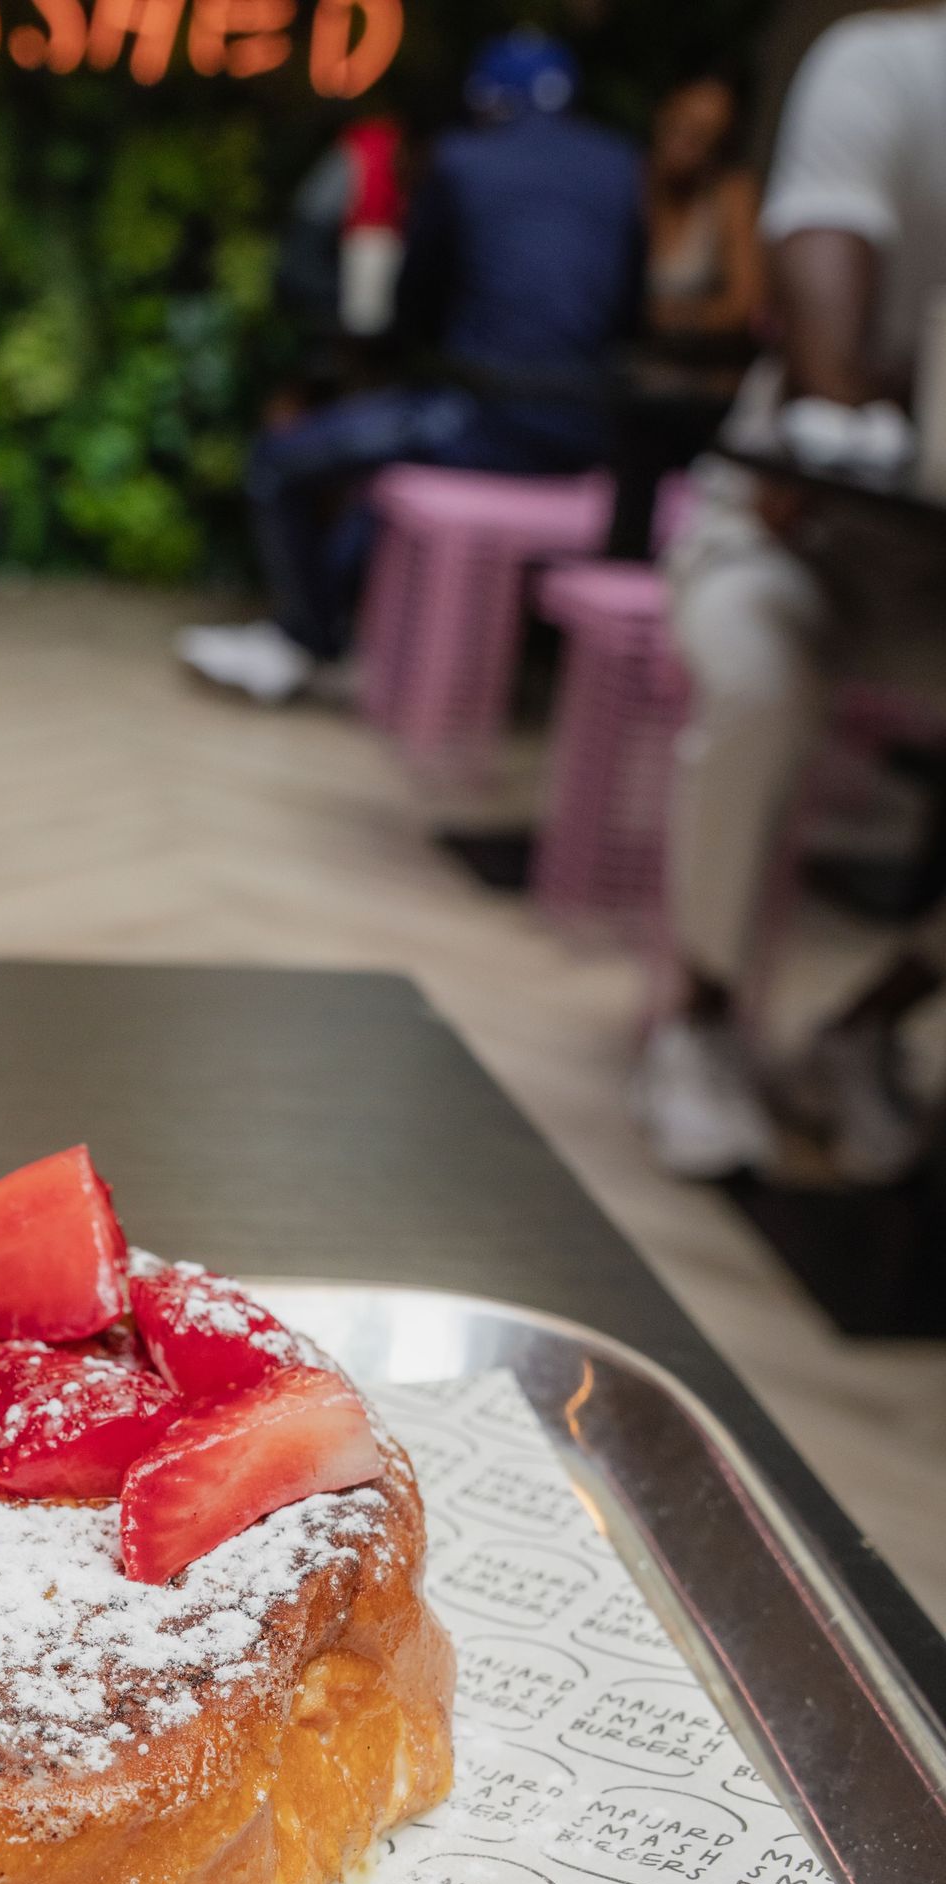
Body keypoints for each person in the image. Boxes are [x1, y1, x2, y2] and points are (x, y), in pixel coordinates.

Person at [638, 5, 946, 1184]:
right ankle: (697, 1019)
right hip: (785, 526)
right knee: (762, 685)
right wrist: (843, 409)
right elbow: (821, 244)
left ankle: (867, 1023)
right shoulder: (888, 63)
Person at [179, 32, 645, 707]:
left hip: (484, 416)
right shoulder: (622, 165)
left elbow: (411, 305)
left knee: (280, 463)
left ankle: (305, 640)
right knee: (386, 481)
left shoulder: (462, 162)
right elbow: (628, 314)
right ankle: (324, 631)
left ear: (487, 103)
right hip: (589, 433)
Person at [647, 74, 762, 341]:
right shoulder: (624, 182)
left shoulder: (731, 195)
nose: (685, 145)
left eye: (703, 136)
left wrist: (656, 317)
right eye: (679, 127)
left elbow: (744, 307)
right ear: (662, 115)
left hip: (701, 368)